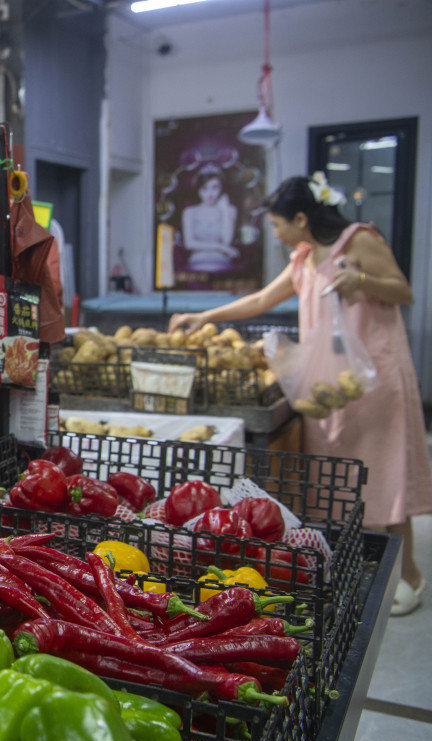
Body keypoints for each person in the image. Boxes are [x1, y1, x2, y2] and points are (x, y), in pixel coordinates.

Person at [171, 173, 432, 615]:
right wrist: (204, 315)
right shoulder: (304, 258)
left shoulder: (358, 241)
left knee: (387, 476)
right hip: (331, 387)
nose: (275, 233)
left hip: (376, 381)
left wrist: (361, 281)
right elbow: (260, 300)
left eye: (277, 225)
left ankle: (409, 575)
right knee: (343, 481)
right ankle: (361, 568)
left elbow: (402, 289)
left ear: (300, 217)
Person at [181, 169, 239, 272]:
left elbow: (227, 241)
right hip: (197, 263)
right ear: (198, 190)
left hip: (222, 263)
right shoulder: (190, 212)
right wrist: (220, 247)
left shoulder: (230, 210)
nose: (210, 193)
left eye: (214, 188)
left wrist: (224, 210)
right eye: (204, 189)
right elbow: (189, 243)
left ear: (221, 188)